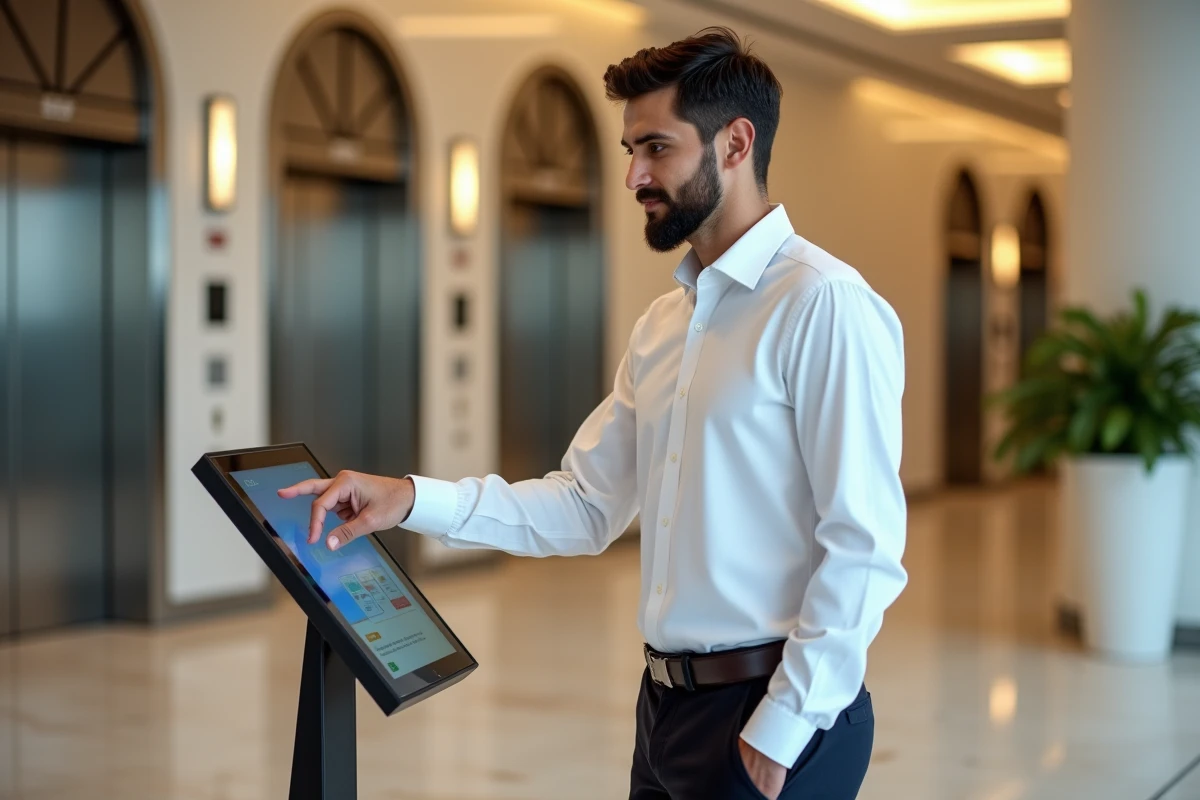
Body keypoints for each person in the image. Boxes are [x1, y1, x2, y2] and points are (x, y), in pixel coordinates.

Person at [280, 26, 907, 800]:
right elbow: (583, 505)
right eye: (628, 151)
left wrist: (784, 727)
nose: (634, 175)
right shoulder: (665, 326)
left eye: (656, 148)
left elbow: (865, 544)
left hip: (773, 718)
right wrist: (409, 498)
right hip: (666, 714)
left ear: (735, 144)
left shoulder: (823, 304)